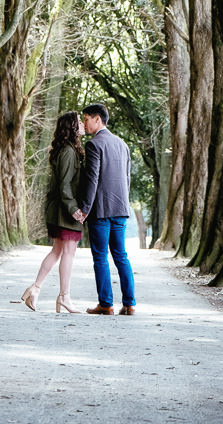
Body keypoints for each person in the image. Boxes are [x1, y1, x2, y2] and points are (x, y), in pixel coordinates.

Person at [73, 102, 136, 315]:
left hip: (100, 210)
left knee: (100, 256)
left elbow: (92, 179)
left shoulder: (94, 144)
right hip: (120, 209)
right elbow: (127, 179)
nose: (84, 123)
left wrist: (85, 208)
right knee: (121, 255)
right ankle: (129, 304)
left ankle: (106, 304)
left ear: (97, 119)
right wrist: (124, 205)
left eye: (87, 119)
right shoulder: (122, 145)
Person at [20, 111, 84, 314]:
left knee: (58, 250)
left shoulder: (68, 149)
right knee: (68, 252)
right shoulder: (68, 151)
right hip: (64, 210)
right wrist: (74, 209)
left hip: (60, 208)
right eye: (79, 121)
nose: (83, 124)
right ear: (72, 127)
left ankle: (35, 289)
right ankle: (64, 297)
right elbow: (64, 185)